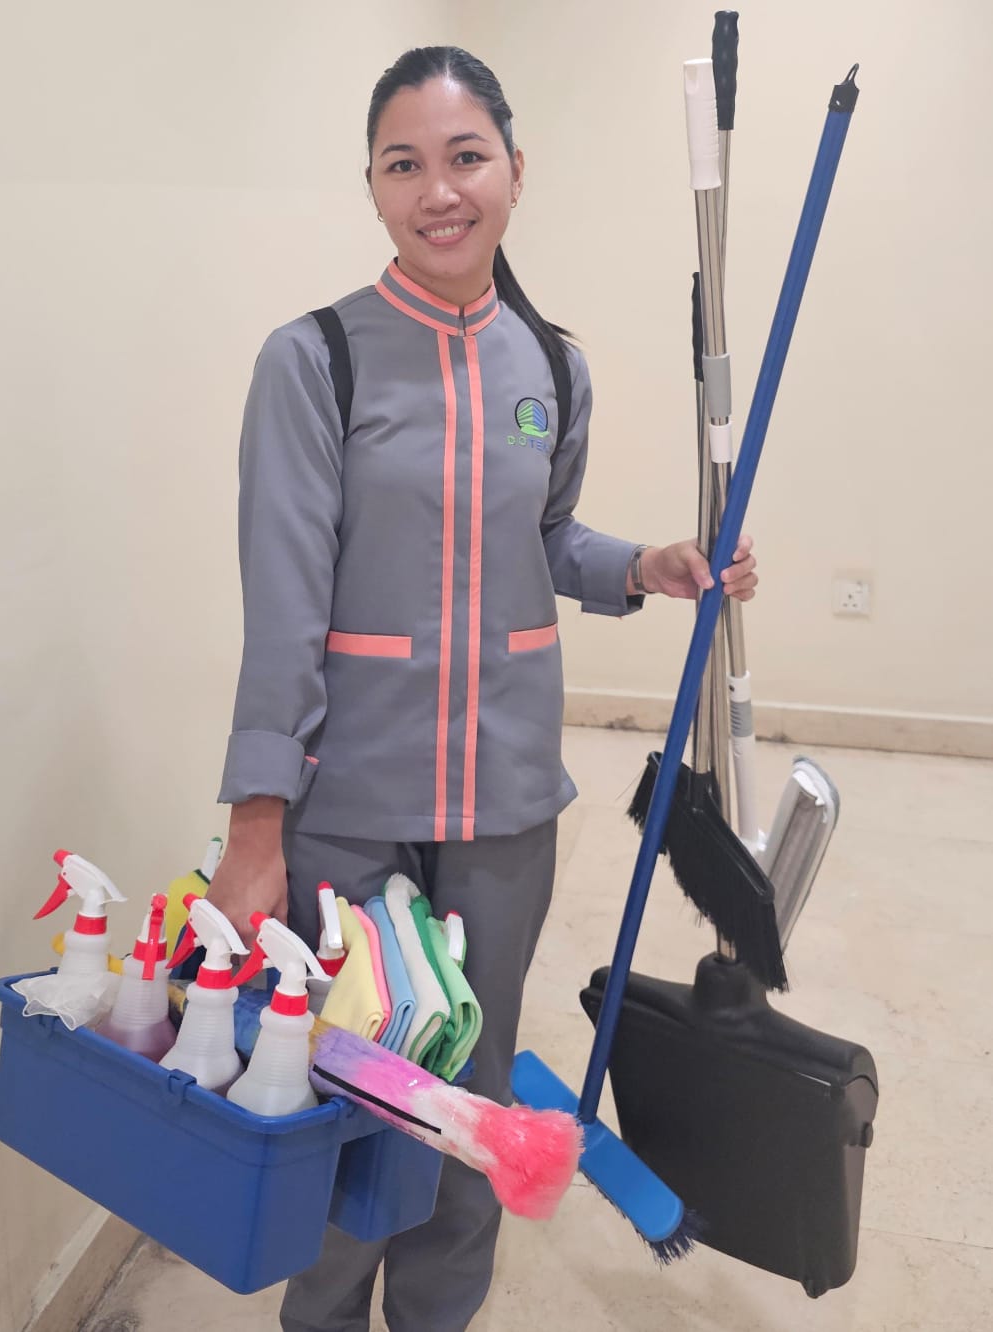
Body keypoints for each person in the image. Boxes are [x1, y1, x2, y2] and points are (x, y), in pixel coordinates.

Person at [207, 45, 757, 1332]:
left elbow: (544, 538)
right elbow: (281, 605)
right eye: (404, 165)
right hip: (350, 804)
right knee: (346, 1089)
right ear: (372, 187)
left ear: (515, 168)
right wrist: (257, 823)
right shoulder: (315, 361)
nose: (438, 190)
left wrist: (645, 566)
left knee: (473, 1099)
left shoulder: (551, 369)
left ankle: (438, 1314)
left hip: (504, 802)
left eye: (465, 158)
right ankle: (324, 1316)